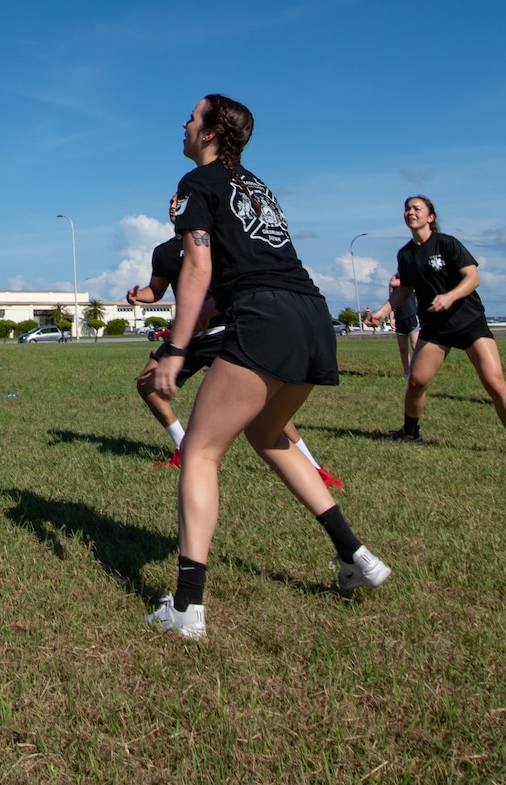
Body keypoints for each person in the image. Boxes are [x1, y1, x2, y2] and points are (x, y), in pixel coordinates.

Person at [145, 96, 390, 640]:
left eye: (192, 116)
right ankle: (356, 557)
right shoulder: (255, 184)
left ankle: (186, 608)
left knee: (201, 452)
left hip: (267, 315)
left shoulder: (196, 183)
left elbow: (199, 269)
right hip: (312, 316)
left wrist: (174, 348)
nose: (183, 123)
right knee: (270, 435)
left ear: (209, 134)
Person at [128, 217, 342, 488]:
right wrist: (138, 297)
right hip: (189, 335)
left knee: (264, 407)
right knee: (147, 384)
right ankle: (183, 447)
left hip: (226, 330)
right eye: (171, 202)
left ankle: (313, 467)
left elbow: (233, 281)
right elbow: (155, 291)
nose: (174, 205)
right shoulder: (163, 252)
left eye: (178, 200)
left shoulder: (214, 243)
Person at [385, 196, 506, 461]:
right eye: (407, 209)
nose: (410, 212)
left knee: (494, 384)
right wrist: (383, 311)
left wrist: (450, 296)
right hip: (435, 327)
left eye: (417, 208)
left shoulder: (447, 244)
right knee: (417, 382)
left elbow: (472, 277)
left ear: (430, 217)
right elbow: (405, 289)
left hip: (469, 323)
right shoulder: (406, 254)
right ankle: (411, 432)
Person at [364, 272, 420, 374]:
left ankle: (418, 372)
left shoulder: (411, 279)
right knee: (403, 349)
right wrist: (391, 318)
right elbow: (391, 301)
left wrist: (392, 282)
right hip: (399, 318)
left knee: (415, 346)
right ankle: (407, 373)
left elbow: (396, 283)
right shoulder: (392, 282)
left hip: (412, 317)